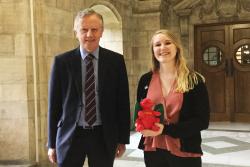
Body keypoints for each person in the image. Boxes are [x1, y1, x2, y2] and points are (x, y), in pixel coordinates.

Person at [47, 8, 130, 167]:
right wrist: (51, 143)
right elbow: (54, 106)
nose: (89, 34)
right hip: (70, 135)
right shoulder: (61, 62)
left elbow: (122, 102)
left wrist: (122, 139)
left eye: (94, 29)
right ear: (76, 32)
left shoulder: (116, 61)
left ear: (102, 31)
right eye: (84, 30)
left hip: (103, 135)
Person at [135, 29, 210, 167]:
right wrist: (140, 125)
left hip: (185, 149)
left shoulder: (194, 80)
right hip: (153, 148)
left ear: (177, 47)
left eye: (167, 43)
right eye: (157, 45)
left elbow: (202, 121)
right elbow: (139, 111)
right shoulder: (145, 80)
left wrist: (165, 129)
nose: (162, 48)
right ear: (153, 50)